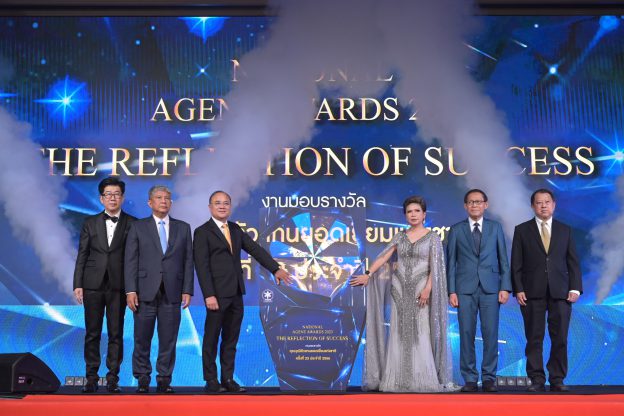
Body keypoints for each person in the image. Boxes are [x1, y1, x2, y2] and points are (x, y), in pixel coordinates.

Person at [350, 196, 455, 392]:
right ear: (405, 215)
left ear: (424, 214)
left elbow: (436, 267)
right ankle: (397, 380)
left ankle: (422, 380)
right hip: (399, 290)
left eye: (417, 211)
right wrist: (368, 274)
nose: (413, 215)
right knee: (398, 332)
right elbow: (384, 256)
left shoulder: (433, 237)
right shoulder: (399, 236)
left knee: (420, 332)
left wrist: (428, 289)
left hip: (421, 290)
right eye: (409, 212)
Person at [193, 191, 292, 393]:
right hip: (216, 295)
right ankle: (211, 380)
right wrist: (208, 295)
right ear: (210, 207)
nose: (222, 206)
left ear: (230, 207)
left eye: (226, 203)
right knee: (211, 339)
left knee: (231, 339)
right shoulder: (202, 232)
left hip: (236, 293)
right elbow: (201, 266)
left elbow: (255, 250)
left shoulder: (235, 229)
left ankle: (228, 379)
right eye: (218, 203)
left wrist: (275, 269)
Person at [124, 185, 194, 394]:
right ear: (150, 202)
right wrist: (130, 290)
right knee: (141, 338)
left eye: (167, 198)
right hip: (144, 292)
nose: (164, 201)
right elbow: (130, 261)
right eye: (159, 197)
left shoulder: (183, 228)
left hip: (172, 292)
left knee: (169, 339)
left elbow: (188, 261)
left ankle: (164, 378)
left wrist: (187, 289)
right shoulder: (138, 227)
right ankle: (142, 377)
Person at [511, 189, 582, 392]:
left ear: (554, 204)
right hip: (532, 291)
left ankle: (557, 378)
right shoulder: (522, 230)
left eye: (547, 202)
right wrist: (518, 288)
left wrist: (576, 287)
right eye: (539, 202)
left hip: (561, 291)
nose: (543, 206)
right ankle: (536, 379)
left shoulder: (565, 230)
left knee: (560, 337)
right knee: (534, 338)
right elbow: (516, 263)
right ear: (532, 206)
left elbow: (573, 261)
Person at [73, 177, 136, 393]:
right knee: (92, 332)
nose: (112, 198)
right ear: (101, 198)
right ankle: (91, 378)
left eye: (116, 194)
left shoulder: (133, 223)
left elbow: (135, 258)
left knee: (116, 333)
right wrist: (78, 283)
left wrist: (133, 287)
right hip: (92, 284)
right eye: (108, 194)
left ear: (122, 198)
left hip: (119, 285)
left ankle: (112, 379)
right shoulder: (90, 222)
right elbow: (82, 254)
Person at [446, 189, 511, 393]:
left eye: (478, 201)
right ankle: (470, 378)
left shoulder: (495, 228)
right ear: (465, 206)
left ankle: (489, 377)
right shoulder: (456, 230)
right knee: (466, 333)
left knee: (491, 333)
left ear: (486, 204)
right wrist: (451, 291)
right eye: (471, 202)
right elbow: (451, 263)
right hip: (464, 289)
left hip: (491, 288)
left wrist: (505, 287)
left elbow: (503, 259)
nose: (475, 205)